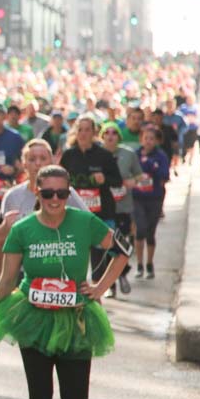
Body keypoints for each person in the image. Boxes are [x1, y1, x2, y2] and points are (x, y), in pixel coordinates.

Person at [0, 165, 128, 399]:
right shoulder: (23, 229)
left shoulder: (84, 222)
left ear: (69, 194)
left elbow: (122, 252)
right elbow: (7, 279)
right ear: (37, 193)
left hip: (76, 319)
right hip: (33, 317)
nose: (55, 199)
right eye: (48, 193)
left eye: (62, 193)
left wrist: (99, 287)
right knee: (39, 398)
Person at [58, 115, 123, 287]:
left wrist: (104, 179)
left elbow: (118, 180)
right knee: (76, 248)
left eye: (87, 130)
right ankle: (75, 284)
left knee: (100, 249)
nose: (83, 133)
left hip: (101, 210)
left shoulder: (104, 155)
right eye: (80, 129)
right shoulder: (69, 155)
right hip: (75, 211)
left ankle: (103, 284)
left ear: (94, 132)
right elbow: (59, 180)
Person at [100, 123, 142, 297]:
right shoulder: (98, 155)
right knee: (107, 246)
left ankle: (122, 274)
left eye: (114, 133)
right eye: (107, 133)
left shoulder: (128, 154)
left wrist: (132, 182)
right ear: (102, 136)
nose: (110, 136)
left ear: (119, 136)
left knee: (122, 245)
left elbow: (139, 175)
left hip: (123, 206)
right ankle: (112, 284)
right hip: (103, 208)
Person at [133, 126, 171, 280]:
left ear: (156, 141)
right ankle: (139, 264)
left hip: (154, 197)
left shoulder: (160, 156)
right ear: (141, 139)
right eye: (146, 138)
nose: (148, 141)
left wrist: (152, 166)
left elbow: (164, 175)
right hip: (138, 197)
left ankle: (149, 263)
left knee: (150, 231)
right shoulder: (135, 154)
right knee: (140, 229)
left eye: (151, 139)